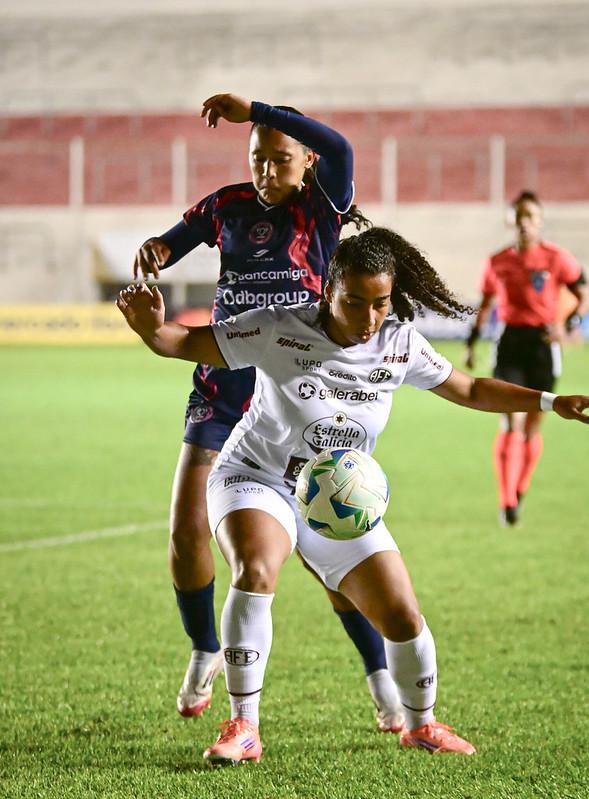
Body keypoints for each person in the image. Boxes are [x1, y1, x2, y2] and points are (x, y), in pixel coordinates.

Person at [117, 226, 589, 764]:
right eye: (354, 302)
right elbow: (183, 342)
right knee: (257, 569)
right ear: (328, 290)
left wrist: (549, 400)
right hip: (257, 476)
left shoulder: (399, 343)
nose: (368, 317)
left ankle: (421, 725)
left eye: (380, 303)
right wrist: (151, 331)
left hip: (336, 496)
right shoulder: (278, 328)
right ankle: (244, 725)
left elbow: (469, 388)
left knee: (402, 615)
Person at [132, 93, 403, 731]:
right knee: (184, 533)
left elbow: (338, 146)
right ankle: (204, 649)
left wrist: (255, 107)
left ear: (304, 162)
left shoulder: (322, 206)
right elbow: (172, 243)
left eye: (279, 159)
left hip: (299, 398)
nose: (265, 171)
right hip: (224, 385)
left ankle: (381, 677)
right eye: (258, 159)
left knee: (329, 554)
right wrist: (156, 252)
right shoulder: (227, 206)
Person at [464, 191, 589, 526]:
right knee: (511, 420)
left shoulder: (556, 258)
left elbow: (583, 292)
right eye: (518, 216)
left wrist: (570, 324)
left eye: (530, 216)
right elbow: (486, 303)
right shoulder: (497, 261)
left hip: (542, 345)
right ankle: (506, 501)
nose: (524, 223)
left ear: (540, 221)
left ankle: (520, 487)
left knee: (534, 425)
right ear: (511, 220)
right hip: (509, 343)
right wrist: (472, 342)